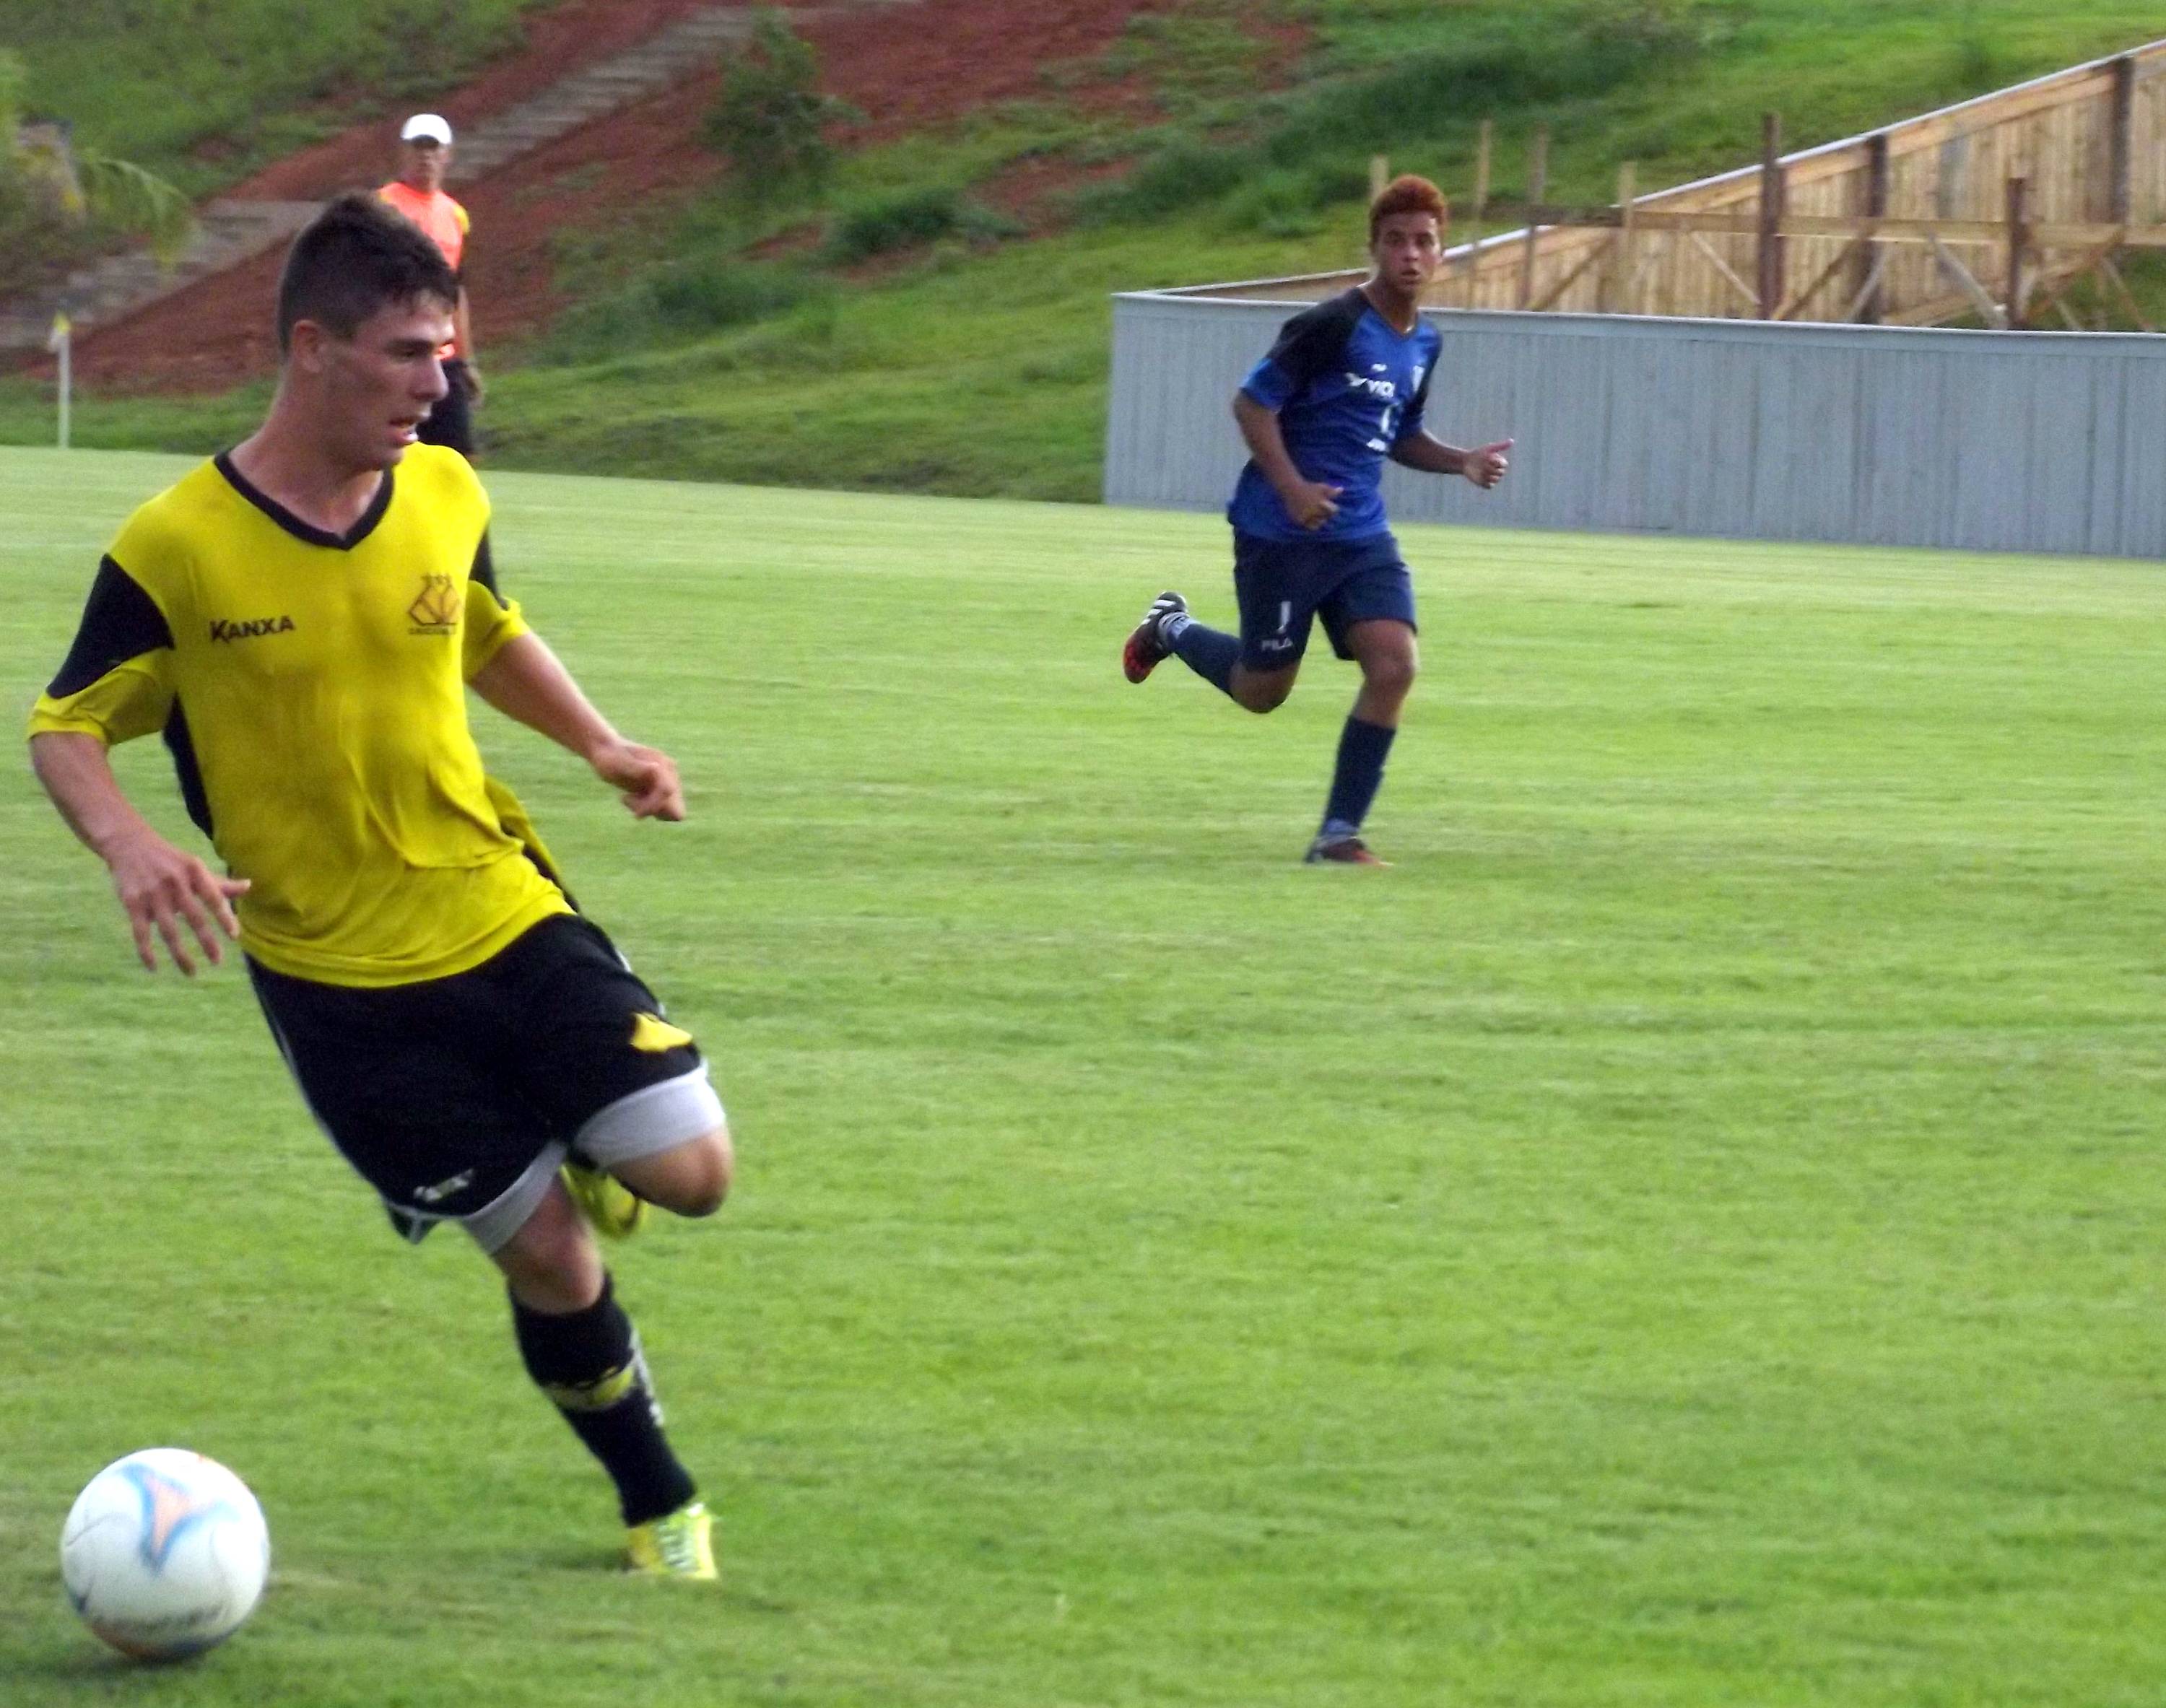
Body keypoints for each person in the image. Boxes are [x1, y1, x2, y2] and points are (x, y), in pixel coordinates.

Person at [26, 193, 729, 1580]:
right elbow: (65, 726)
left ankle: (588, 1142)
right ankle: (660, 1501)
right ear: (313, 349)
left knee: (693, 1173)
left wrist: (599, 742)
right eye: (413, 353)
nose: (442, 383)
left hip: (497, 903)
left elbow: (479, 625)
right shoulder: (178, 546)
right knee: (551, 1264)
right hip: (342, 988)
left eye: (449, 353)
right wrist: (130, 843)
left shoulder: (447, 491)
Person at [1121, 175, 1513, 866]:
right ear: (1374, 249)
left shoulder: (1425, 344)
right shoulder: (1330, 325)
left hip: (1361, 535)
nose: (1411, 255)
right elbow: (1251, 405)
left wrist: (1463, 462)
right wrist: (1294, 487)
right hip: (1281, 532)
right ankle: (1170, 627)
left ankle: (1338, 835)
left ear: (1442, 254)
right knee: (1261, 691)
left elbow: (1399, 435)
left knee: (1395, 666)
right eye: (1397, 242)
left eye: (1425, 242)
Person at [379, 113, 483, 457]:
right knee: (394, 455)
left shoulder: (455, 214)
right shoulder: (383, 207)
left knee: (456, 459)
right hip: (398, 353)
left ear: (447, 154)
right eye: (417, 147)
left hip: (442, 354)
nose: (425, 156)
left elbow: (457, 291)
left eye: (433, 147)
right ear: (404, 152)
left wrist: (466, 361)